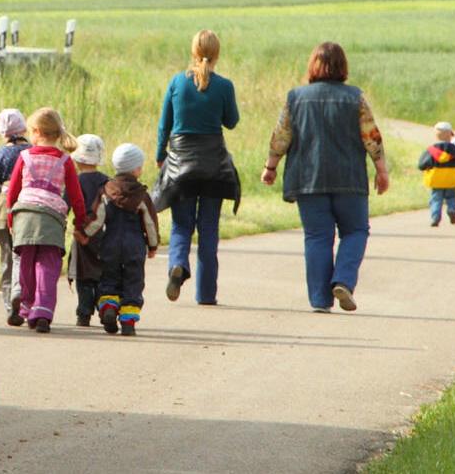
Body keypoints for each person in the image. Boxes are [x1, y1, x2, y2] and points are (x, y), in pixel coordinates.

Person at [260, 41, 390, 313]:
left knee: (318, 236)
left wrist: (270, 166)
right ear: (343, 67)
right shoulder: (355, 97)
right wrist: (381, 170)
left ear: (313, 66)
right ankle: (342, 279)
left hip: (308, 179)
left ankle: (320, 300)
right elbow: (371, 136)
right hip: (350, 179)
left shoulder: (296, 98)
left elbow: (281, 136)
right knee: (355, 231)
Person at [154, 30, 241, 306]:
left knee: (181, 224)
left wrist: (160, 155)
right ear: (217, 54)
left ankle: (177, 266)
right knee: (209, 229)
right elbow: (232, 121)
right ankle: (206, 293)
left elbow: (164, 124)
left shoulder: (177, 82)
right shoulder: (224, 86)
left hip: (181, 162)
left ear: (193, 51)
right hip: (213, 163)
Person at [4, 108, 91, 334]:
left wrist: (10, 216)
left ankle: (26, 304)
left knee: (26, 263)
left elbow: (12, 191)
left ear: (36, 131)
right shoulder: (65, 161)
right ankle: (42, 311)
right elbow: (75, 195)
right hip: (51, 219)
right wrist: (80, 220)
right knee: (48, 265)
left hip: (25, 215)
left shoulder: (24, 157)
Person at [83, 144, 160, 336]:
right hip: (134, 246)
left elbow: (97, 219)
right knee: (133, 282)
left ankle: (109, 306)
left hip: (110, 244)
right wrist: (153, 245)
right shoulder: (141, 195)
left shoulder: (106, 191)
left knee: (109, 279)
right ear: (136, 169)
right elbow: (150, 224)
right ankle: (128, 322)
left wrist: (85, 234)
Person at [0, 109, 29, 321]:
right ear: (24, 127)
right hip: (28, 208)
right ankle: (27, 300)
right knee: (27, 258)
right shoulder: (32, 151)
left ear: (2, 132)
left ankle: (11, 306)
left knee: (7, 260)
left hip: (2, 211)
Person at [67, 134, 109, 328]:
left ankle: (83, 314)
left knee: (83, 275)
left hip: (80, 234)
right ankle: (104, 308)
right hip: (104, 233)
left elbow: (64, 205)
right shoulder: (107, 181)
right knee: (101, 273)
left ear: (76, 157)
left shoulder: (74, 181)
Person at [418, 122, 455, 227]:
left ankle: (435, 217)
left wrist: (426, 168)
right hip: (451, 179)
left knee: (436, 199)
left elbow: (421, 164)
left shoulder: (431, 150)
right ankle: (451, 210)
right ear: (450, 135)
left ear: (436, 135)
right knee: (451, 197)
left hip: (436, 179)